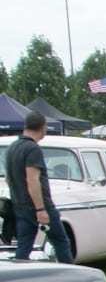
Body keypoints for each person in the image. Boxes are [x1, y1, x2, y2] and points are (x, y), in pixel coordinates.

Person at [5, 111, 75, 263]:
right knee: (61, 242)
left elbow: (9, 179)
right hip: (38, 205)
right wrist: (40, 209)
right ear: (43, 128)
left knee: (24, 246)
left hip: (19, 205)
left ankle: (18, 277)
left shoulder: (12, 148)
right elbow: (32, 179)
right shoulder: (32, 148)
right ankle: (71, 275)